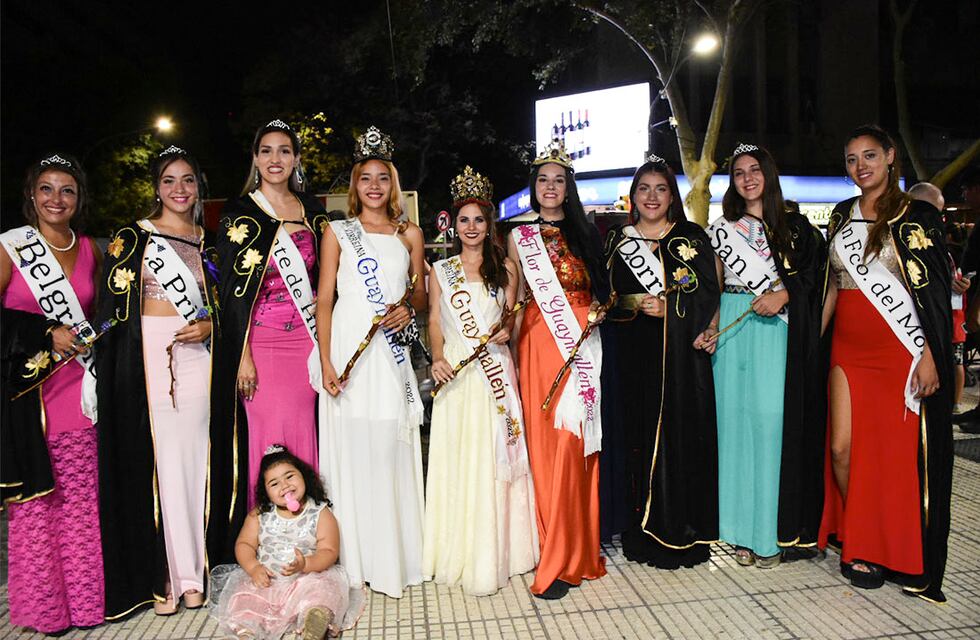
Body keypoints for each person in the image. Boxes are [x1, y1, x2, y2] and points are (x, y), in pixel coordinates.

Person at [818, 125, 954, 603]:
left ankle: (877, 548)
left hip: (901, 351)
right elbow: (832, 285)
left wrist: (933, 356)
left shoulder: (917, 217)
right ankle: (859, 530)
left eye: (870, 156)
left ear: (891, 157)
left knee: (894, 459)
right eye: (852, 159)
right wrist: (811, 344)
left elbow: (934, 295)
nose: (861, 167)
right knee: (841, 448)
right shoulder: (839, 216)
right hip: (847, 350)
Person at [95, 146, 216, 617]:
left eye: (188, 180)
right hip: (146, 355)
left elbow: (224, 305)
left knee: (193, 464)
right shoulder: (134, 237)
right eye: (169, 180)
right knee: (159, 465)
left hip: (197, 356)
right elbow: (112, 310)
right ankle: (164, 571)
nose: (179, 189)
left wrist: (209, 326)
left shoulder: (211, 239)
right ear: (156, 187)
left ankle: (193, 573)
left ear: (198, 186)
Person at [209, 119, 329, 565]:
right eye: (266, 151)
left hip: (306, 343)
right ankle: (266, 547)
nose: (275, 159)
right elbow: (229, 296)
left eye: (284, 150)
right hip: (259, 344)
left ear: (296, 158)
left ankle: (312, 544)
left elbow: (324, 282)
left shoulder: (312, 210)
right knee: (268, 440)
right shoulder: (241, 212)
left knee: (305, 437)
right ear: (255, 158)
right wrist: (242, 356)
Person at [316, 126, 427, 598]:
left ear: (393, 185)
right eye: (366, 178)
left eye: (383, 178)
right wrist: (325, 362)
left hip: (391, 353)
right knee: (354, 441)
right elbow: (324, 300)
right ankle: (356, 556)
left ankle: (393, 556)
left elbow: (420, 296)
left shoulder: (411, 235)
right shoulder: (337, 232)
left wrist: (409, 308)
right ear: (355, 186)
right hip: (349, 347)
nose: (375, 186)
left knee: (389, 440)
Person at [706, 143, 825, 569]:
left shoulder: (795, 227)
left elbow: (815, 279)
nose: (747, 178)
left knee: (770, 423)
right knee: (734, 428)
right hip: (736, 323)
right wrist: (711, 328)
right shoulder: (722, 227)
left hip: (778, 326)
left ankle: (770, 532)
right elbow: (714, 289)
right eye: (739, 173)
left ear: (768, 174)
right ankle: (739, 533)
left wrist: (783, 294)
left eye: (755, 170)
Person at [0, 153, 104, 634]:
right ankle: (45, 611)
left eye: (66, 190)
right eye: (46, 188)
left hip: (79, 388)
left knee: (81, 499)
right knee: (38, 502)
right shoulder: (12, 248)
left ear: (78, 198)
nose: (56, 199)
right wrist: (44, 331)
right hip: (30, 393)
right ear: (32, 196)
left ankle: (86, 605)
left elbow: (102, 314)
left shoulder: (89, 249)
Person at [423, 166, 538, 595]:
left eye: (479, 219)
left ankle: (500, 551)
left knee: (494, 457)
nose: (471, 227)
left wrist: (511, 329)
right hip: (456, 371)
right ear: (453, 225)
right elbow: (434, 319)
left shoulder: (507, 267)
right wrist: (436, 357)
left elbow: (515, 317)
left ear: (490, 224)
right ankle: (457, 547)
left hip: (494, 373)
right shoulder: (441, 269)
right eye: (463, 219)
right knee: (459, 457)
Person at [600, 156, 720, 568]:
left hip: (676, 354)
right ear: (633, 196)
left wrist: (671, 307)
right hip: (627, 351)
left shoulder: (690, 237)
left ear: (672, 196)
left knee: (674, 436)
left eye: (661, 189)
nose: (652, 197)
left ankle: (675, 527)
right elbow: (605, 294)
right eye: (644, 189)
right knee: (635, 435)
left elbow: (707, 294)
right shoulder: (617, 239)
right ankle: (637, 525)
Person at [506, 139, 609, 599]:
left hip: (583, 342)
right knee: (548, 449)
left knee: (577, 444)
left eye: (559, 179)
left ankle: (577, 549)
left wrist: (601, 308)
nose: (551, 186)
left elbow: (605, 290)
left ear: (569, 187)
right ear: (534, 186)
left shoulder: (588, 233)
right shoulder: (518, 235)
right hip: (539, 344)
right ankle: (553, 551)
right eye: (543, 179)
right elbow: (511, 297)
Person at [209, 445, 365, 639]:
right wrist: (253, 567)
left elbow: (329, 550)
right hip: (268, 581)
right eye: (274, 483)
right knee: (245, 600)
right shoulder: (259, 515)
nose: (284, 486)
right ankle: (248, 629)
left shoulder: (319, 512)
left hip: (306, 579)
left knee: (324, 592)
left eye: (290, 476)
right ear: (266, 492)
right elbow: (244, 544)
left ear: (303, 476)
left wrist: (306, 564)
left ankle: (314, 621)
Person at [909, 183, 970, 416]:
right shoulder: (904, 241)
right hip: (914, 330)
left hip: (949, 325)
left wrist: (960, 286)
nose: (935, 219)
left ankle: (952, 405)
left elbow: (950, 283)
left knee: (956, 364)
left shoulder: (943, 250)